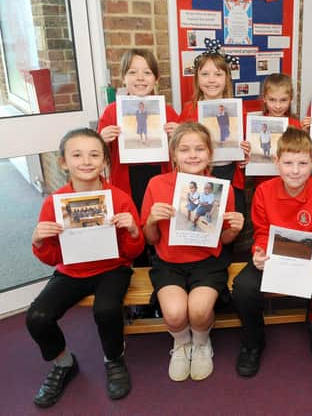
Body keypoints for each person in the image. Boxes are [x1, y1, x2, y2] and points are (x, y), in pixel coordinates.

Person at [26, 128, 145, 407]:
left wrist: (134, 233)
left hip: (113, 268)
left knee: (106, 310)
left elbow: (132, 252)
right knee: (37, 317)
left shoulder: (119, 198)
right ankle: (63, 363)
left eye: (94, 155)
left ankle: (113, 359)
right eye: (77, 155)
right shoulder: (53, 203)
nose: (86, 161)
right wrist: (39, 241)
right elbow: (53, 258)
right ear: (63, 162)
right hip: (71, 271)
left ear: (105, 161)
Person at [232, 127, 312, 382]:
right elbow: (261, 232)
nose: (295, 170)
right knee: (242, 287)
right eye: (288, 163)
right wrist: (258, 252)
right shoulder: (264, 192)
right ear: (276, 162)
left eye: (303, 163)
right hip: (276, 259)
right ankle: (253, 343)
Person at [140, 122, 244, 382]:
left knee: (198, 311)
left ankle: (200, 343)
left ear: (209, 153)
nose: (193, 155)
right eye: (184, 149)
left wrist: (235, 228)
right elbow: (150, 240)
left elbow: (225, 239)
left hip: (207, 261)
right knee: (175, 314)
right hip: (168, 261)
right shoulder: (156, 184)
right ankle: (181, 343)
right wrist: (151, 220)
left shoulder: (223, 188)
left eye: (199, 148)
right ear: (173, 154)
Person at [98, 48, 180, 211]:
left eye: (147, 72)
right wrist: (101, 139)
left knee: (157, 217)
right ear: (123, 78)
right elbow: (99, 154)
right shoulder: (112, 111)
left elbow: (183, 150)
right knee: (130, 217)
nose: (140, 78)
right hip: (125, 177)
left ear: (156, 78)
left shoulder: (167, 111)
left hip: (159, 174)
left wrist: (179, 135)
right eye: (133, 72)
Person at [178, 48, 249, 218]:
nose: (211, 80)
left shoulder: (239, 112)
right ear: (197, 79)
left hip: (231, 175)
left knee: (230, 223)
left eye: (218, 74)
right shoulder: (189, 110)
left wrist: (247, 154)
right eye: (205, 74)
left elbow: (247, 148)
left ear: (227, 79)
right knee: (204, 220)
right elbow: (178, 149)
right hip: (200, 175)